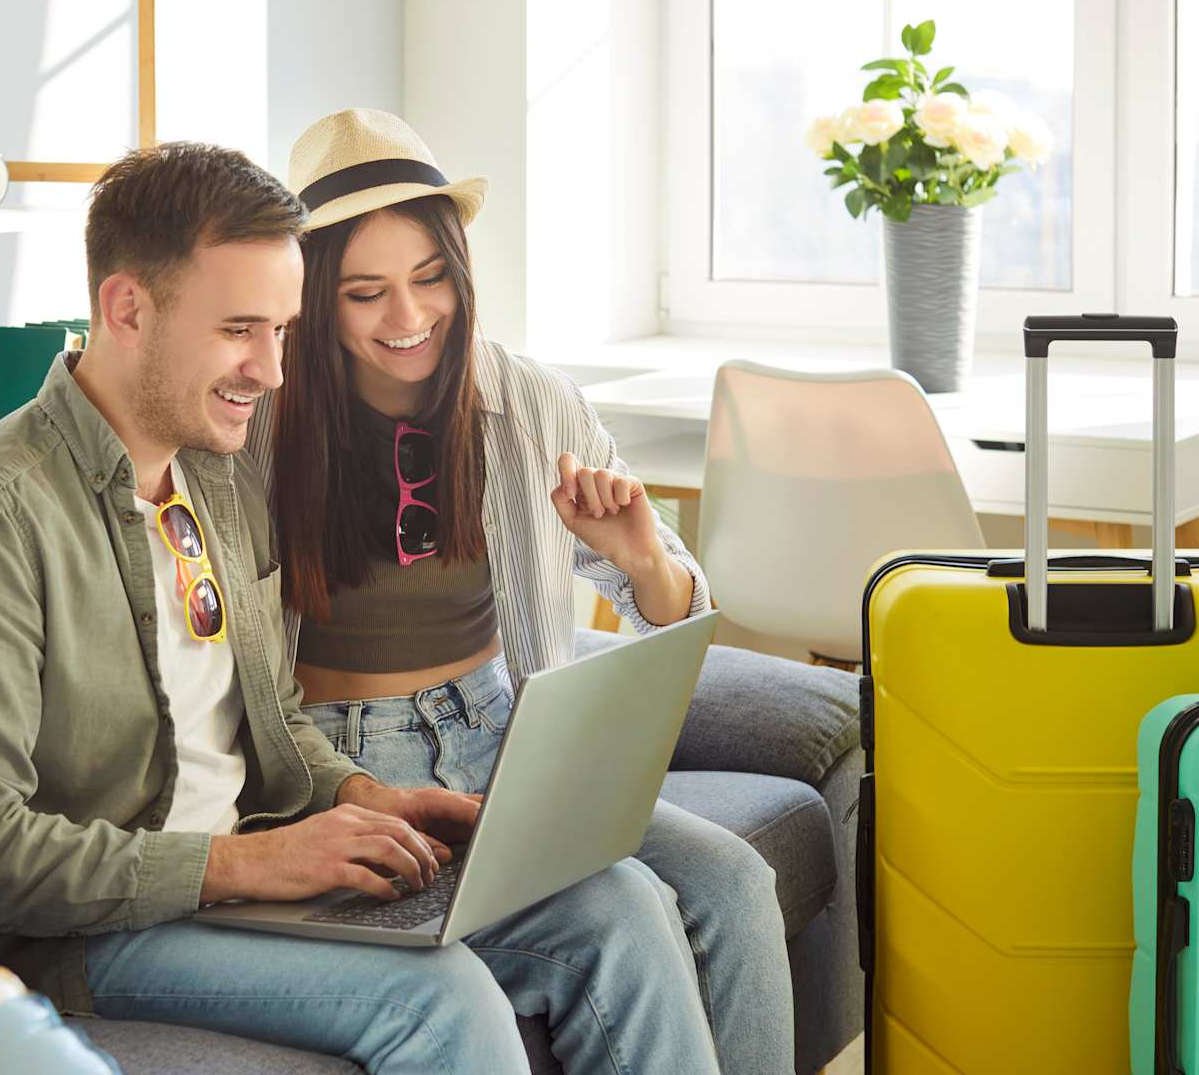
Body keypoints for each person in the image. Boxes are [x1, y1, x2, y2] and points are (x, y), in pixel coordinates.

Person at [0, 140, 716, 1075]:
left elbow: (269, 722)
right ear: (127, 309)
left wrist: (360, 796)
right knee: (445, 1001)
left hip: (243, 873)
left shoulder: (211, 478)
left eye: (282, 331)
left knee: (618, 913)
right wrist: (248, 866)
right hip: (89, 933)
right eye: (239, 330)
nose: (269, 372)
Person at [248, 108, 797, 1075]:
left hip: (509, 740)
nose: (408, 319)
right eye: (366, 293)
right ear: (316, 296)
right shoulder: (261, 423)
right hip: (348, 757)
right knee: (621, 916)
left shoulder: (533, 400)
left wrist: (637, 555)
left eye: (429, 280)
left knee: (736, 884)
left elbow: (672, 609)